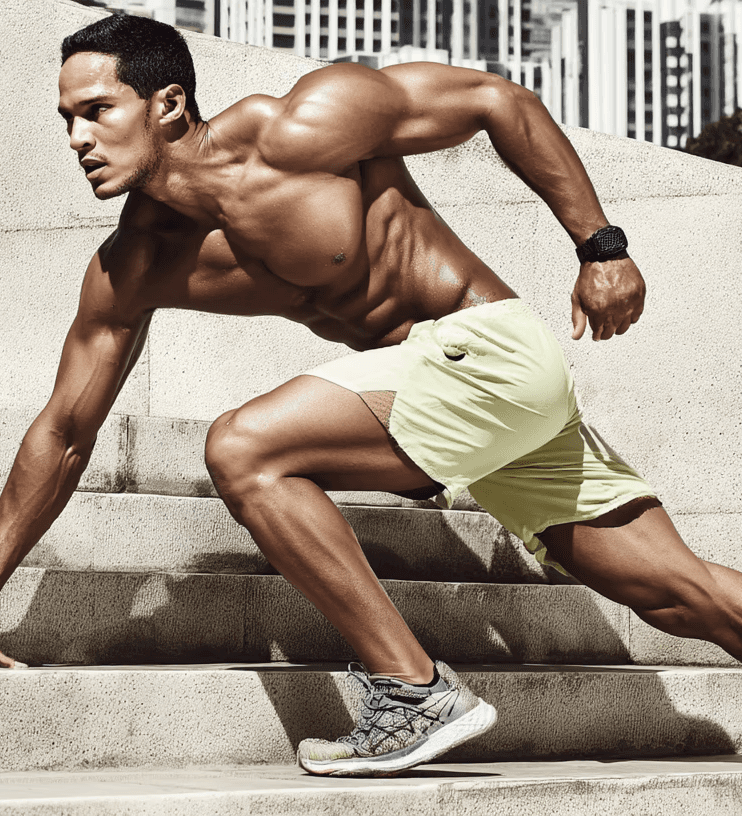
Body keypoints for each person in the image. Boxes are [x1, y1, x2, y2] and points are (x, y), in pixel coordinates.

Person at [0, 12, 740, 777]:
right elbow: (63, 434)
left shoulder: (304, 126)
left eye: (97, 111)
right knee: (676, 595)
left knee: (243, 448)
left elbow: (497, 100)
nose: (77, 139)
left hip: (486, 348)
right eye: (66, 121)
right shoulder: (137, 263)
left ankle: (414, 693)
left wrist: (601, 247)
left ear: (169, 104)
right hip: (453, 408)